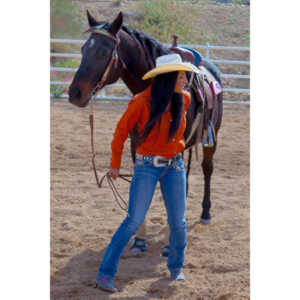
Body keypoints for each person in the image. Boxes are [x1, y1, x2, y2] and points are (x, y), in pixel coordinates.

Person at [94, 53, 200, 293]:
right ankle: (104, 274)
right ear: (168, 77)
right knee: (133, 221)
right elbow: (120, 132)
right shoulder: (141, 101)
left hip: (175, 166)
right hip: (147, 167)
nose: (185, 79)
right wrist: (115, 164)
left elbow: (180, 135)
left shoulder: (184, 98)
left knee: (179, 222)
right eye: (182, 75)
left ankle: (175, 268)